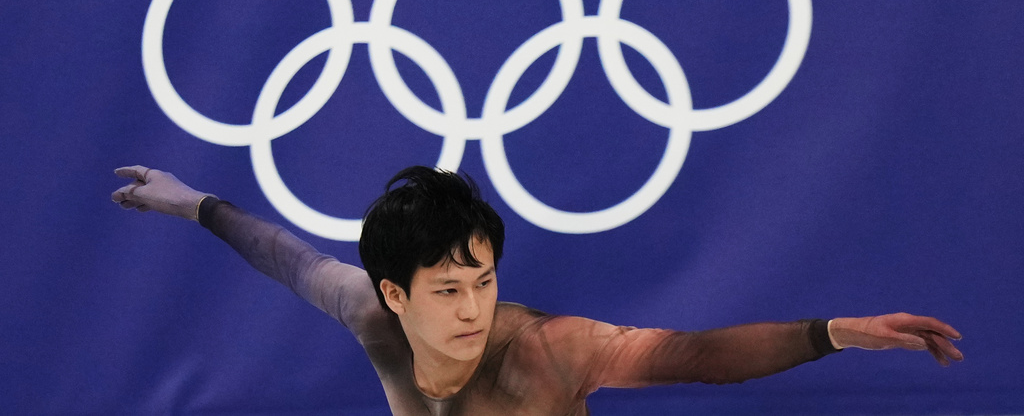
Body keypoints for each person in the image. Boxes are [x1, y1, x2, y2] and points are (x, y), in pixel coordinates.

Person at [111, 165, 962, 415]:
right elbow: (289, 257)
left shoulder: (551, 351)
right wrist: (194, 205)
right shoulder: (370, 316)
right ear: (396, 296)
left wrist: (832, 333)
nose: (475, 307)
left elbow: (694, 356)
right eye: (448, 288)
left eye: (484, 280)